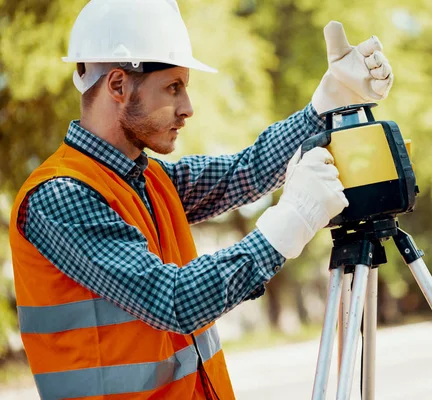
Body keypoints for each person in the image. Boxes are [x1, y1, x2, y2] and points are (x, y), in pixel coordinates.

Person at [8, 0, 394, 398]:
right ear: (119, 86)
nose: (188, 108)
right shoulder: (59, 196)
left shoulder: (148, 180)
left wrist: (326, 103)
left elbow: (248, 169)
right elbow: (173, 300)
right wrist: (290, 221)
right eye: (173, 87)